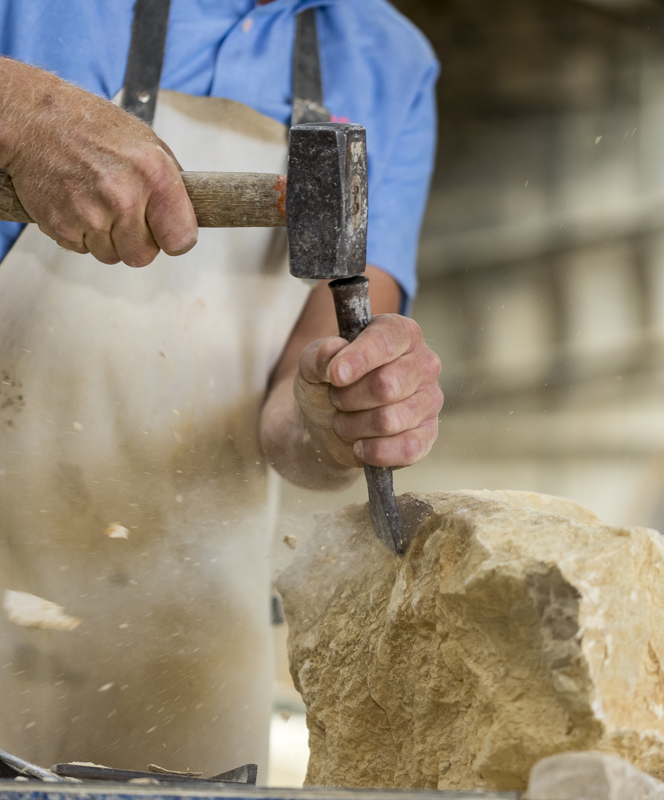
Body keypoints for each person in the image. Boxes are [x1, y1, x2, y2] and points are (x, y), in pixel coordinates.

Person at [0, 0, 442, 777]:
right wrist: (17, 107)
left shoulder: (393, 65)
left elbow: (299, 415)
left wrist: (336, 413)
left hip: (184, 668)